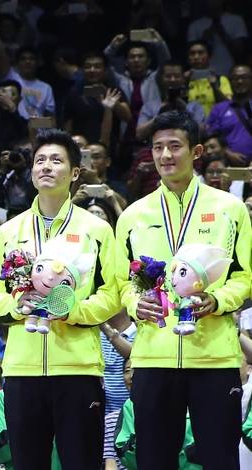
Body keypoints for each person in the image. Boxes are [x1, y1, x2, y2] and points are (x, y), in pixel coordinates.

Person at [115, 110, 252, 469]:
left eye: (175, 146)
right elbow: (122, 282)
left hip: (214, 358)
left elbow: (244, 276)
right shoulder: (133, 216)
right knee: (154, 461)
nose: (165, 155)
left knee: (220, 460)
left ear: (196, 152)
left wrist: (218, 300)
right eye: (158, 147)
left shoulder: (229, 209)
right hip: (153, 359)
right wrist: (135, 303)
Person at [0, 128, 119, 469]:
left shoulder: (97, 230)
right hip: (21, 370)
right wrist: (16, 307)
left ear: (74, 173)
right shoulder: (8, 232)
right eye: (40, 160)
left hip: (78, 369)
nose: (46, 166)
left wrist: (71, 311)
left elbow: (113, 294)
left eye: (56, 160)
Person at [206, 64, 252, 164]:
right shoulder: (219, 109)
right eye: (235, 78)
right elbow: (211, 137)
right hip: (227, 166)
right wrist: (227, 152)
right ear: (230, 81)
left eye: (244, 77)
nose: (240, 81)